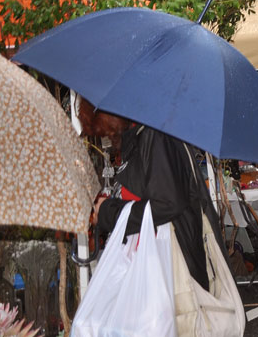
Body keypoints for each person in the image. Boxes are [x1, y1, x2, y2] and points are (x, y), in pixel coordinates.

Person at [81, 99, 224, 292]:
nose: (104, 134)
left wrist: (108, 211)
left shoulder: (154, 137)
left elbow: (167, 203)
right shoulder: (143, 136)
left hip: (171, 273)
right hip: (155, 267)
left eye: (100, 126)